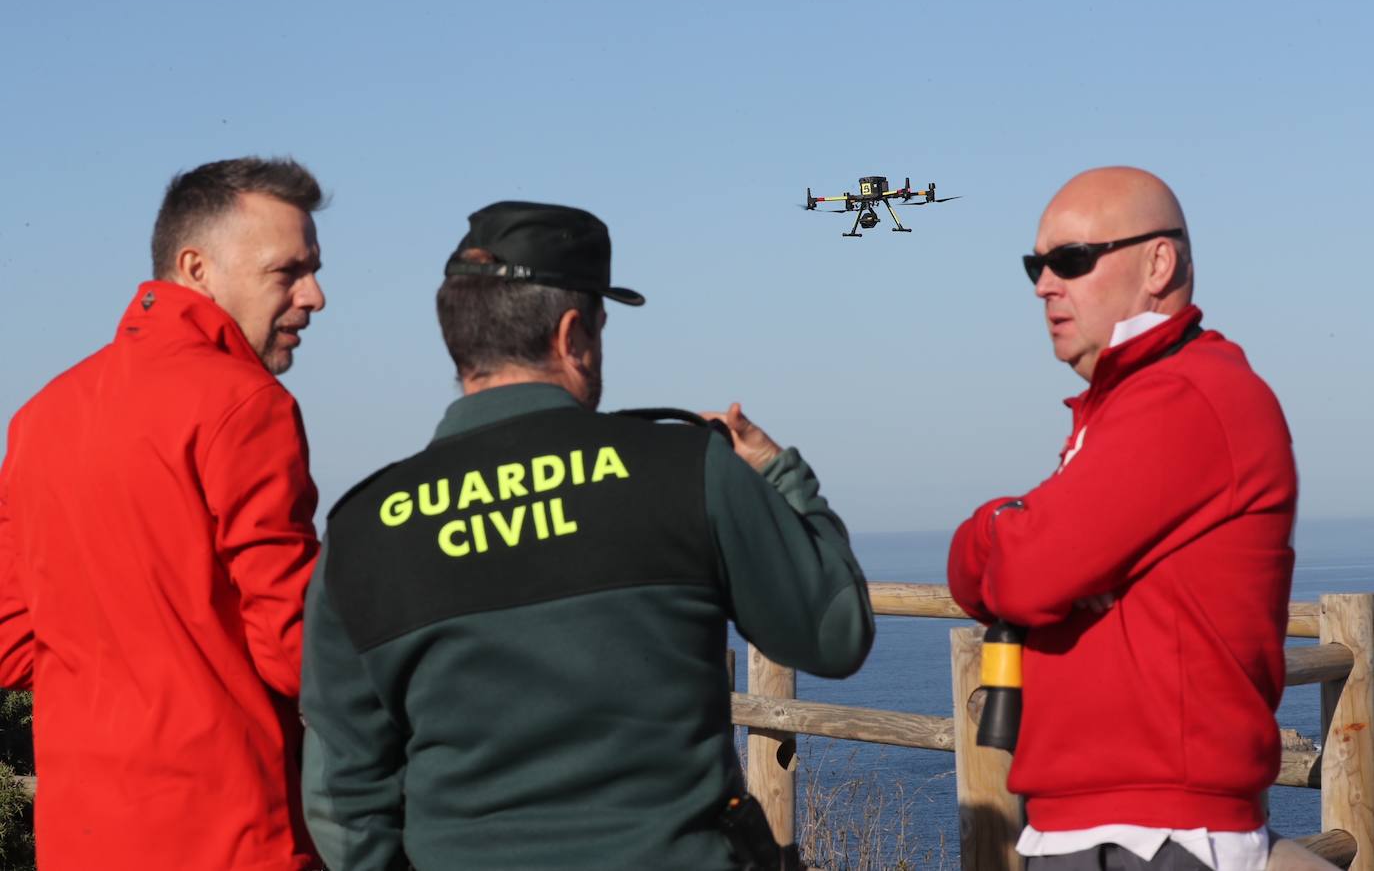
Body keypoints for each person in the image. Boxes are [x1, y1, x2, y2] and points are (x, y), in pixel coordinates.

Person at [300, 201, 874, 870]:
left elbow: (343, 795)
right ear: (573, 335)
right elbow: (835, 633)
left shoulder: (362, 533)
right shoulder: (684, 469)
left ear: (458, 337)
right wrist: (781, 473)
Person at [947, 167, 1298, 871]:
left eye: (1071, 260)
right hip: (1108, 828)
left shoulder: (1187, 396)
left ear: (1158, 263)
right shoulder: (1129, 404)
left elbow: (1024, 572)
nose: (1046, 285)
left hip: (1155, 834)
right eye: (1036, 266)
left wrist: (1002, 526)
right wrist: (1015, 531)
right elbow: (990, 568)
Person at [0, 157, 327, 869]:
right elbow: (298, 649)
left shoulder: (38, 418)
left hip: (82, 839)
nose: (315, 296)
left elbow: (12, 642)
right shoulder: (245, 404)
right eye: (288, 271)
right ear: (197, 267)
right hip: (234, 834)